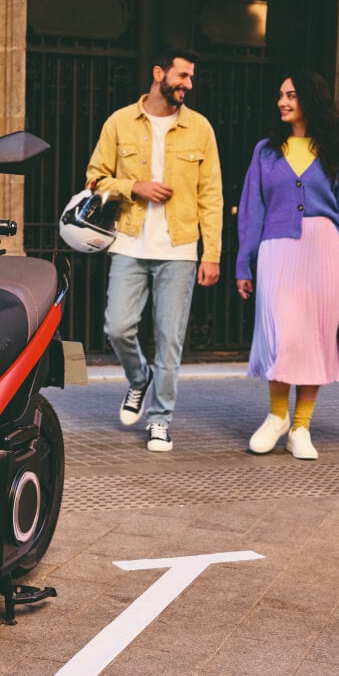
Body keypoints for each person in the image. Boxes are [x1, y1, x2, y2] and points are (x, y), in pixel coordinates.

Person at [235, 68, 339, 460]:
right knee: (282, 334)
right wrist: (243, 264)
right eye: (281, 94)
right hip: (276, 251)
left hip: (324, 252)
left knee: (314, 339)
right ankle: (277, 416)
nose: (282, 101)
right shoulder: (266, 151)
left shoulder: (338, 150)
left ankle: (301, 427)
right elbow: (252, 211)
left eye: (291, 95)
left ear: (310, 101)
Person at [86, 45, 223, 453]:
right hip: (129, 241)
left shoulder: (200, 129)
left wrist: (211, 253)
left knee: (169, 340)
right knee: (118, 326)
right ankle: (138, 378)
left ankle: (160, 418)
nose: (188, 85)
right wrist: (134, 187)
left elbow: (211, 196)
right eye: (182, 76)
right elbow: (94, 179)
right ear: (159, 72)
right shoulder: (120, 123)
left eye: (191, 78)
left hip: (179, 249)